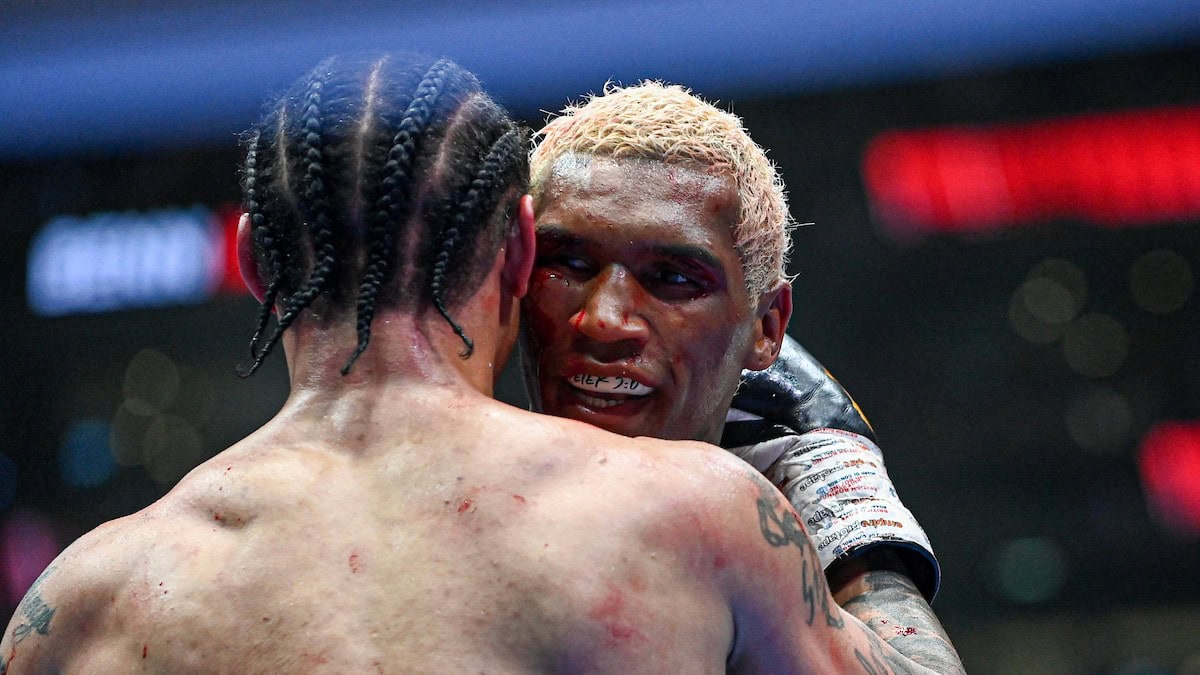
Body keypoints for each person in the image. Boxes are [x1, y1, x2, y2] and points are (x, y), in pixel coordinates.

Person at [1, 54, 939, 673]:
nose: (611, 318)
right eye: (574, 263)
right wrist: (844, 484)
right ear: (521, 253)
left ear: (251, 261)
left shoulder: (82, 606)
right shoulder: (698, 516)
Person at [520, 81, 964, 672]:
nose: (603, 321)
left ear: (765, 329)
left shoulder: (744, 536)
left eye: (674, 278)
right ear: (512, 273)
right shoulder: (421, 481)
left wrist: (837, 501)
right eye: (567, 265)